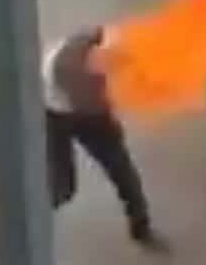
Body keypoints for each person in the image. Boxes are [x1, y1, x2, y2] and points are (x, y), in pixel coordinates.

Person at [43, 26, 168, 253]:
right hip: (57, 115)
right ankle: (29, 218)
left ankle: (141, 228)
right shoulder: (73, 75)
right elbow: (95, 107)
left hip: (85, 108)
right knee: (63, 188)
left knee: (123, 173)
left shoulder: (101, 41)